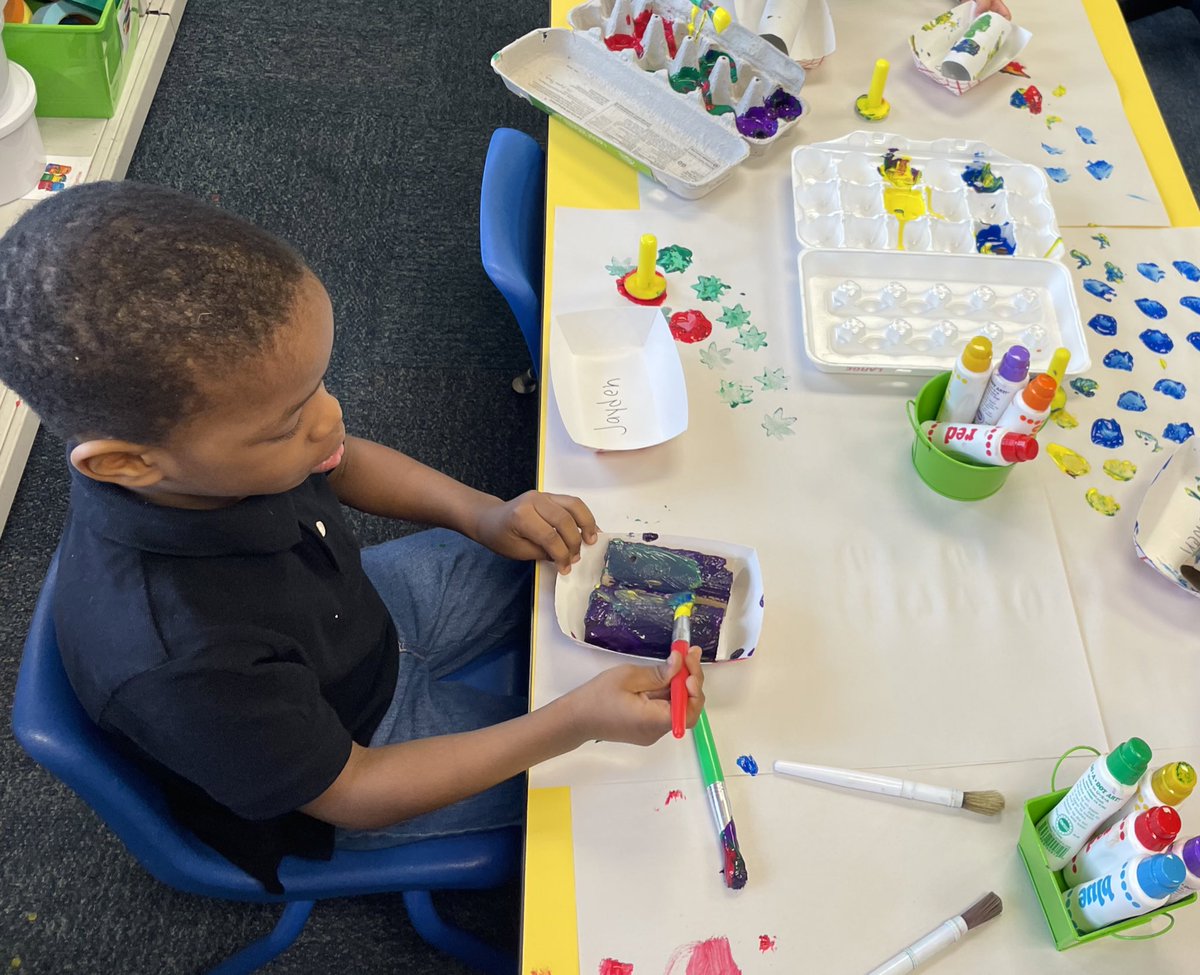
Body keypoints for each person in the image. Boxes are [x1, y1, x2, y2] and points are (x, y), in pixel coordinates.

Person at [0, 181, 705, 891]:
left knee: (597, 561)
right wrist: (572, 721)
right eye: (288, 422)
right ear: (125, 462)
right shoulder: (184, 663)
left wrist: (485, 514)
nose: (331, 419)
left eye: (320, 386)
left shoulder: (207, 459)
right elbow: (358, 792)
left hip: (361, 619)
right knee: (627, 778)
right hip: (359, 753)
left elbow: (343, 461)